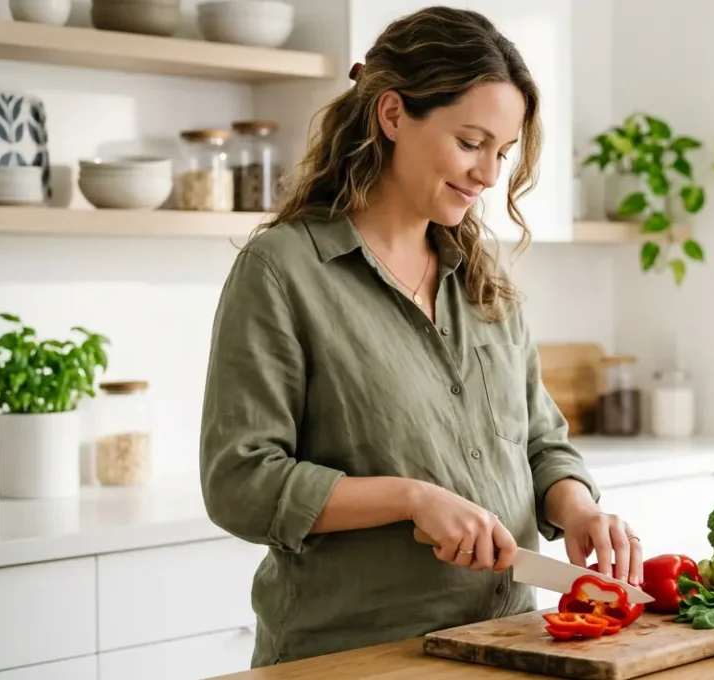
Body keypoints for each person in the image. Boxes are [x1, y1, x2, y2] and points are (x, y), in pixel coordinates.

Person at [198, 6, 642, 667]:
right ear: (393, 115)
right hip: (355, 658)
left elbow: (541, 443)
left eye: (503, 152)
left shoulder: (483, 279)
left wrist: (577, 509)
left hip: (508, 642)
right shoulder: (282, 272)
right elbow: (239, 481)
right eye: (470, 143)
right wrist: (410, 499)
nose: (490, 175)